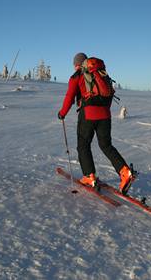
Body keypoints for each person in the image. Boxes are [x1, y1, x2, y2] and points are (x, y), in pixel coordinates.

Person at [57, 52, 134, 195]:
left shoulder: (77, 76)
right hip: (105, 114)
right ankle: (125, 172)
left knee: (83, 145)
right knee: (106, 145)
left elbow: (69, 97)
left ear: (77, 64)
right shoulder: (101, 74)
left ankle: (89, 176)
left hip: (88, 114)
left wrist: (62, 113)